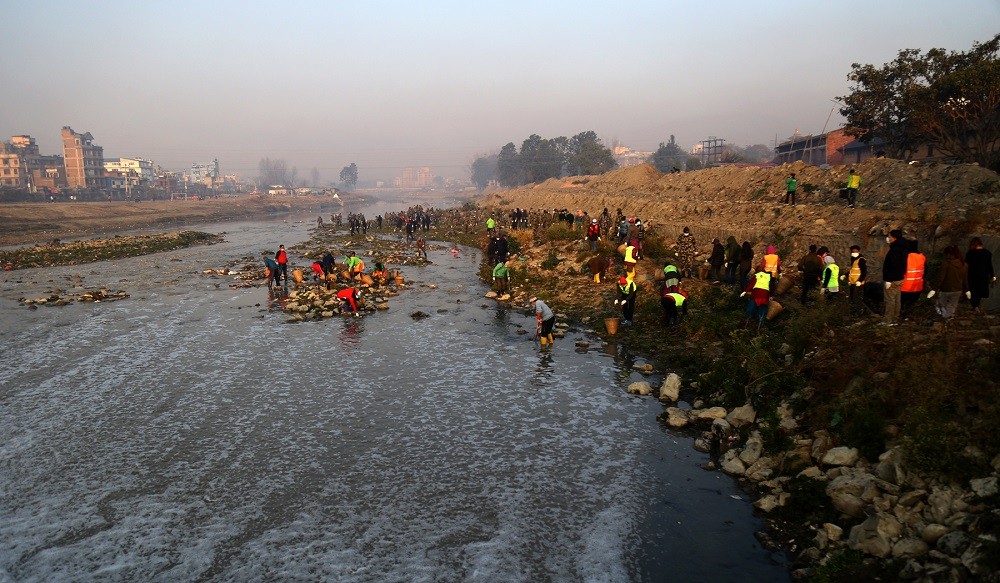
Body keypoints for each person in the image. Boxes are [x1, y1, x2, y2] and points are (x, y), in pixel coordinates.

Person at [927, 246, 969, 320]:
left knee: (940, 306)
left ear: (949, 254)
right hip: (958, 289)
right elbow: (965, 279)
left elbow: (941, 278)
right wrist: (966, 290)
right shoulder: (964, 265)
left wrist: (935, 288)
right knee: (952, 307)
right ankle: (948, 319)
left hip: (946, 289)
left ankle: (943, 320)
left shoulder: (946, 264)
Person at [882, 229, 909, 325]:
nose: (888, 238)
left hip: (892, 279)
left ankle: (888, 320)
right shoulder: (903, 248)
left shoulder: (895, 250)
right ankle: (895, 319)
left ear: (894, 238)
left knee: (890, 300)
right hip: (900, 277)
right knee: (897, 299)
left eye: (889, 236)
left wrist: (888, 279)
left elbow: (893, 265)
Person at [966, 237, 995, 312]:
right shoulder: (987, 253)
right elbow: (990, 265)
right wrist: (992, 276)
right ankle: (976, 306)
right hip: (983, 276)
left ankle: (975, 306)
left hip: (972, 275)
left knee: (973, 291)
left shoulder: (970, 253)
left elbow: (966, 265)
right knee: (980, 292)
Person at [900, 240, 926, 320]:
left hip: (905, 286)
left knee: (902, 304)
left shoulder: (905, 256)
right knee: (911, 304)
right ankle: (909, 317)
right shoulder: (922, 256)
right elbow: (926, 271)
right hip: (917, 286)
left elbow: (900, 270)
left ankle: (902, 317)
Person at [843, 245, 868, 310]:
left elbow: (864, 271)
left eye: (855, 252)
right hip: (853, 282)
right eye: (852, 252)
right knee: (852, 298)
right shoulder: (853, 259)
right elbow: (852, 270)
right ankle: (853, 311)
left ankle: (858, 311)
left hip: (858, 283)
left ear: (859, 251)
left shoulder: (861, 260)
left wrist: (860, 281)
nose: (854, 253)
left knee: (856, 298)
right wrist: (845, 275)